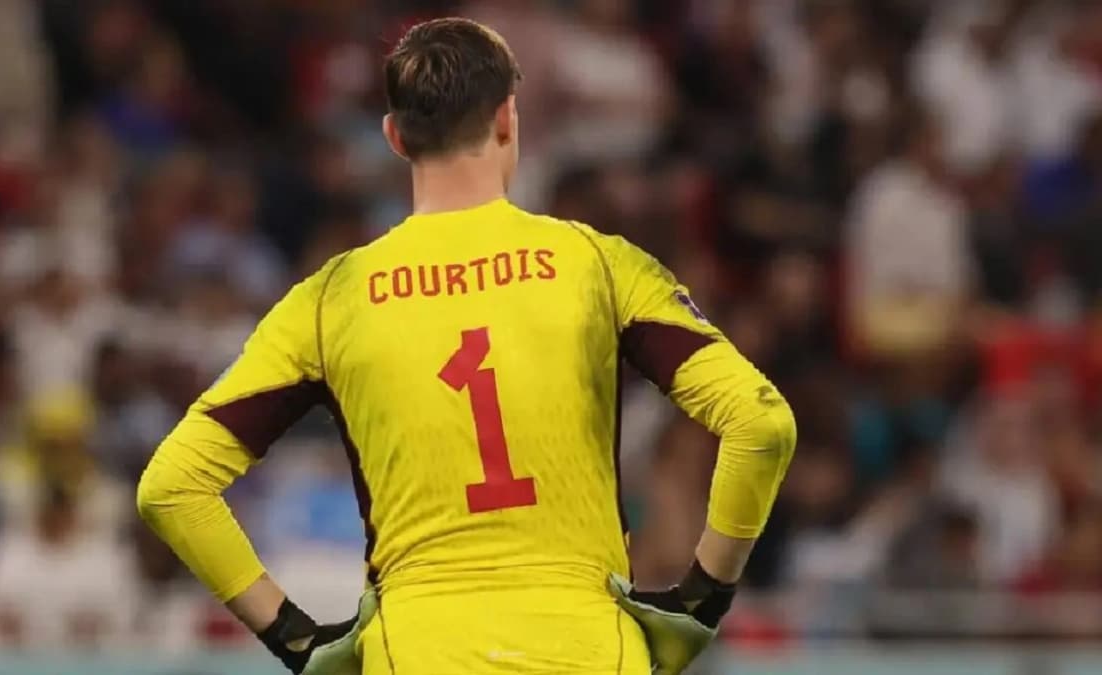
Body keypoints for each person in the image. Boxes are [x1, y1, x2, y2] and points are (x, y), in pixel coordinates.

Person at [137, 17, 795, 675]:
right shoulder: (597, 265)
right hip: (588, 645)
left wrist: (297, 639)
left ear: (395, 137)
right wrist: (701, 600)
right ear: (508, 118)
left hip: (420, 648)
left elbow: (171, 487)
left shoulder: (331, 299)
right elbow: (761, 423)